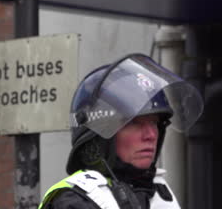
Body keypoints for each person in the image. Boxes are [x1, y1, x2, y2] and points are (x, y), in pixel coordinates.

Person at [39, 53, 204, 209]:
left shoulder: (158, 191)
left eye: (154, 123)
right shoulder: (74, 202)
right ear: (99, 138)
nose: (151, 135)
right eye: (135, 124)